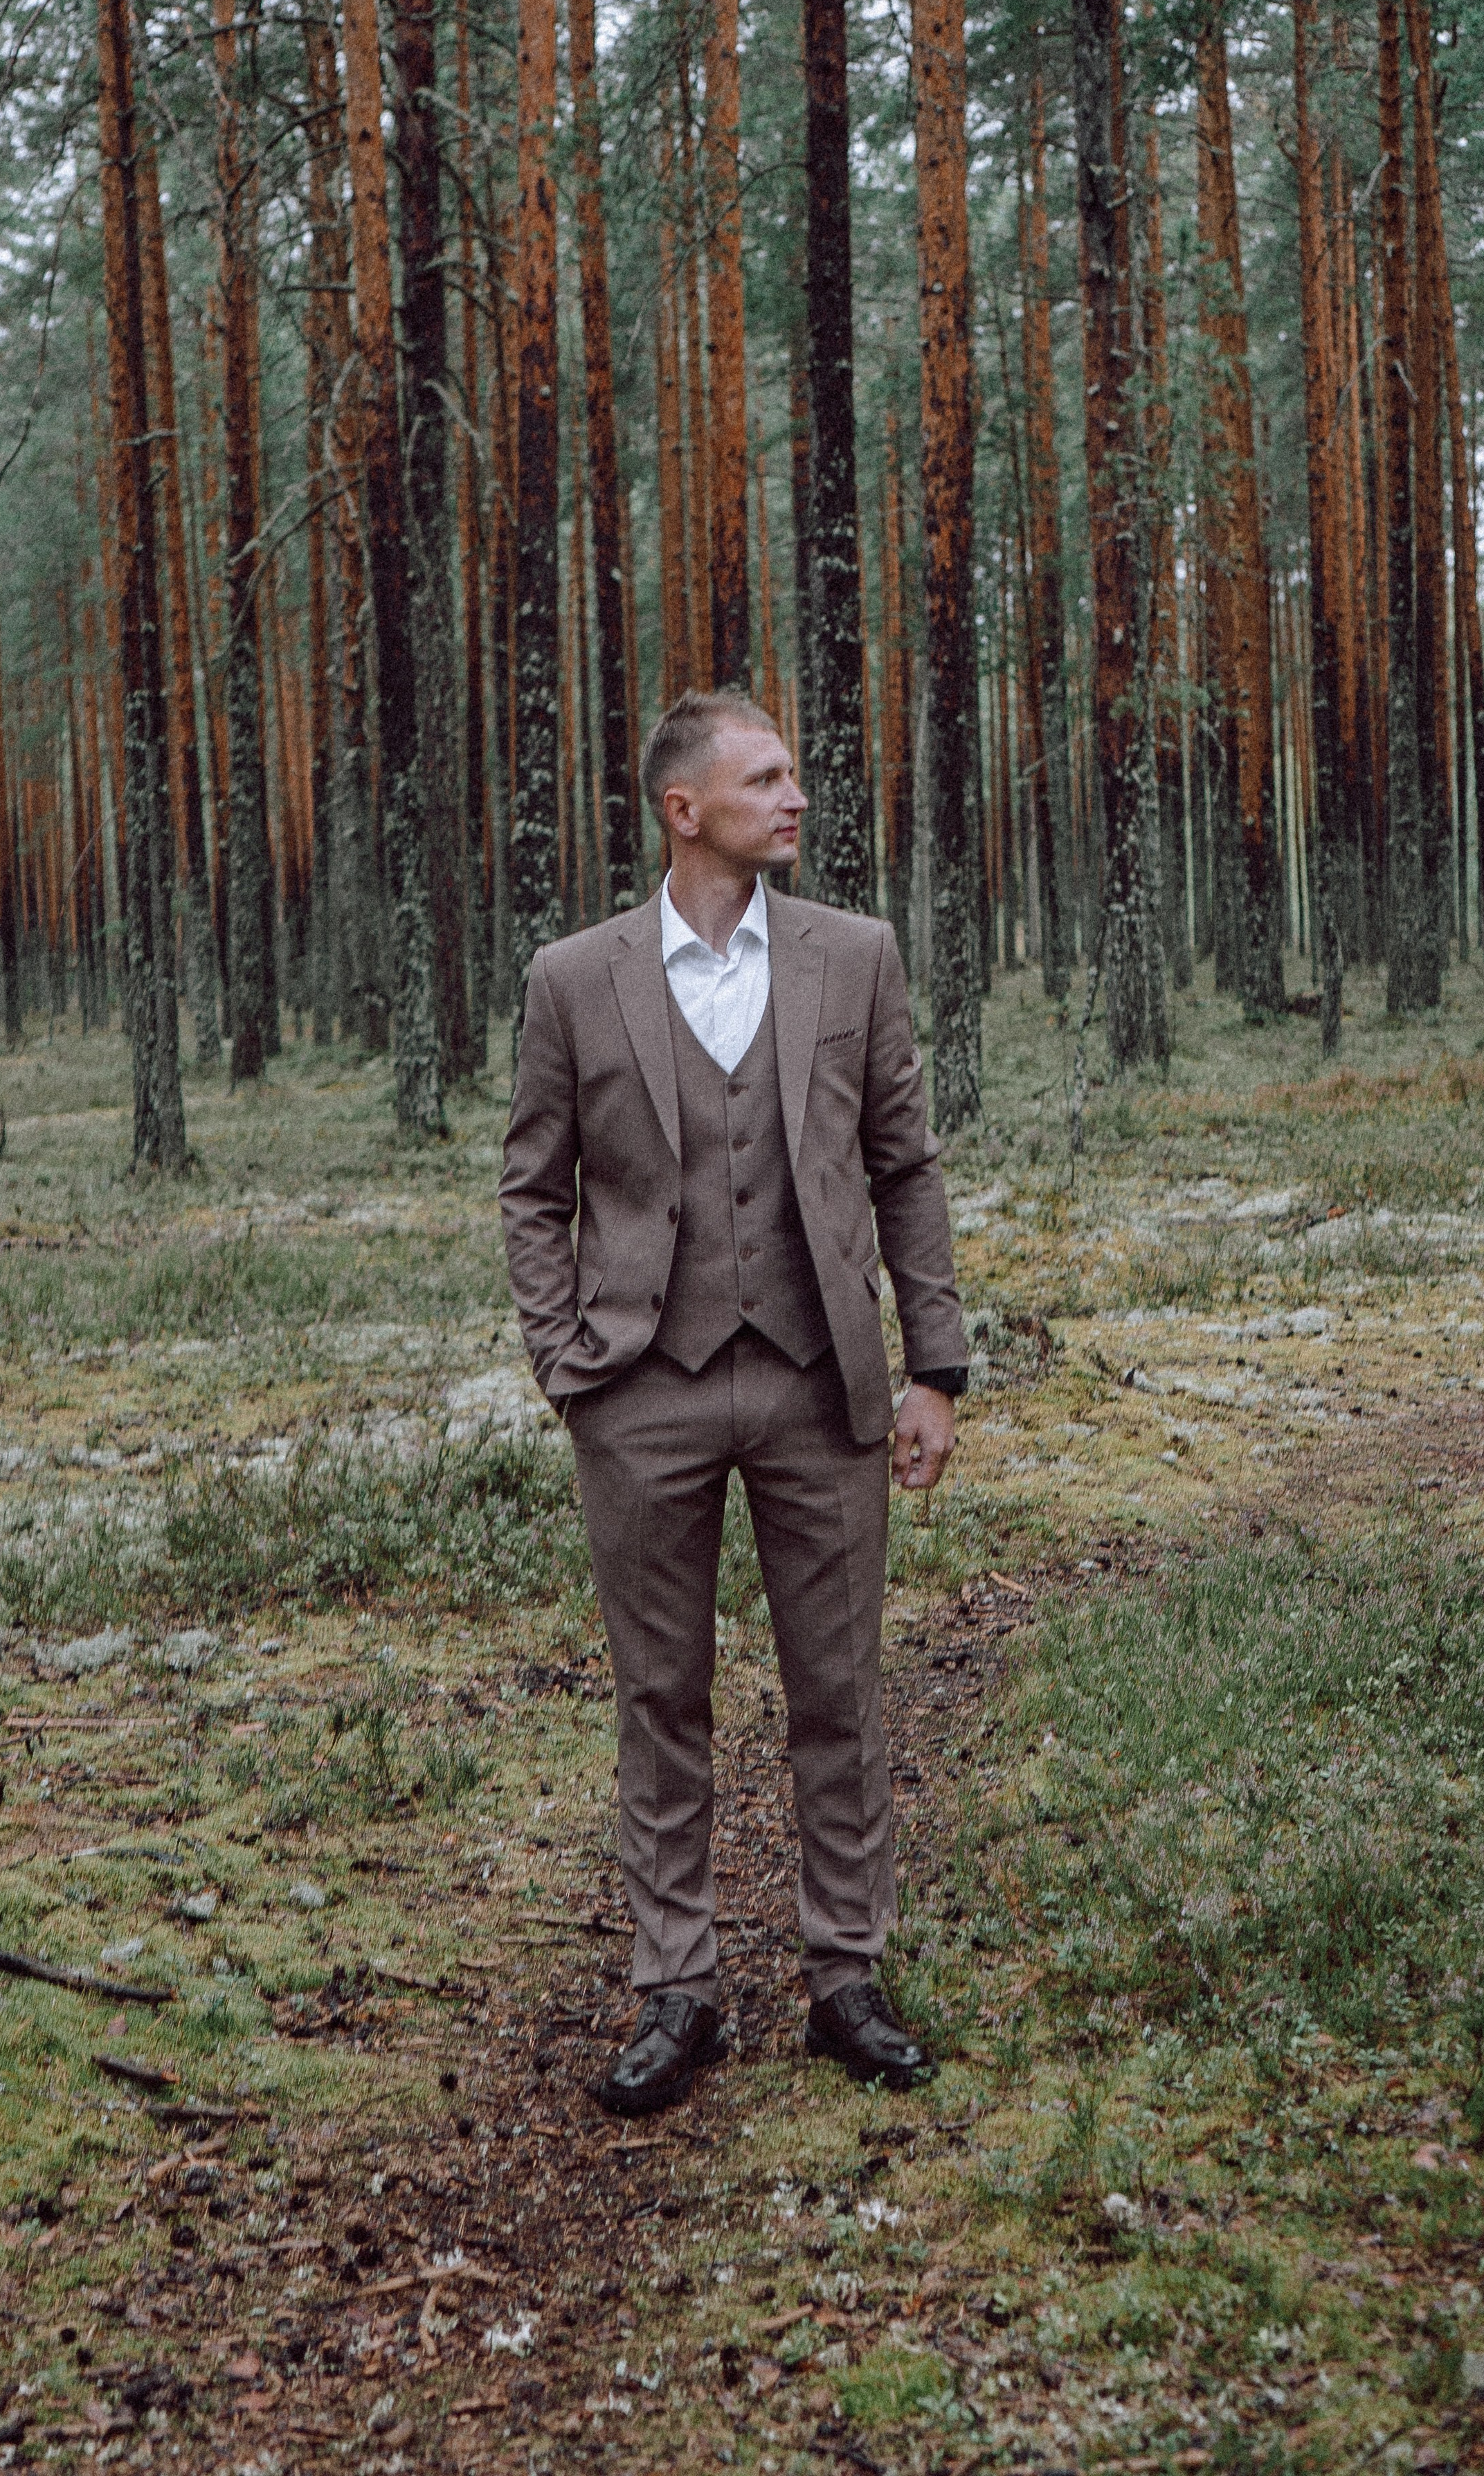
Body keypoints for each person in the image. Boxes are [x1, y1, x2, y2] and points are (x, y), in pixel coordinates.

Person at [500, 690, 968, 2117]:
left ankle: (846, 1981)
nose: (795, 799)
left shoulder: (854, 957)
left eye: (793, 774)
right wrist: (567, 1362)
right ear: (681, 808)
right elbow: (531, 1188)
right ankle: (676, 1990)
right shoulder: (574, 979)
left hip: (821, 1380)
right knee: (662, 1699)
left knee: (838, 1692)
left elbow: (904, 1166)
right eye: (764, 779)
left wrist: (933, 1368)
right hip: (639, 1391)